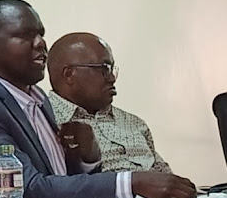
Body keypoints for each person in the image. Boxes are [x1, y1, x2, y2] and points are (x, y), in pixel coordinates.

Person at [0, 0, 196, 198]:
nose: (41, 44)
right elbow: (25, 191)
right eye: (26, 35)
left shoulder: (35, 97)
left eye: (41, 34)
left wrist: (86, 158)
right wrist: (130, 183)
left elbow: (61, 183)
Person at [47, 32, 172, 173]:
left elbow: (166, 176)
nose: (112, 78)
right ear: (69, 74)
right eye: (104, 69)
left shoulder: (134, 123)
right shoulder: (45, 124)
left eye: (112, 69)